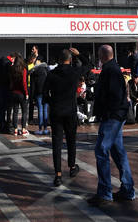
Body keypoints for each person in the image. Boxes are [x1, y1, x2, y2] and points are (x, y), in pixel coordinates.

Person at [88, 45, 134, 206]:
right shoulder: (114, 69)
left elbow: (113, 95)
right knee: (117, 151)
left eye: (99, 55)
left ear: (102, 56)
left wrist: (106, 112)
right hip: (116, 115)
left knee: (101, 150)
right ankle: (127, 189)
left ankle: (105, 192)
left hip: (112, 116)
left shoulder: (110, 70)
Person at [45, 48, 82, 186]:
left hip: (56, 111)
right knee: (71, 140)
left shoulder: (52, 74)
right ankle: (72, 167)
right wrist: (79, 54)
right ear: (70, 59)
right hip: (70, 110)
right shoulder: (74, 72)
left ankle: (58, 174)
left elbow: (44, 94)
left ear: (59, 60)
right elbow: (88, 65)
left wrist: (53, 102)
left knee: (57, 143)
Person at [10, 53, 30, 136]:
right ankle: (23, 129)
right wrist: (26, 93)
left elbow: (11, 81)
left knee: (15, 111)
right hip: (21, 93)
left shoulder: (12, 69)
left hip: (14, 92)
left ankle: (15, 129)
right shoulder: (23, 70)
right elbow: (24, 82)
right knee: (24, 112)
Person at [30, 58, 50, 135]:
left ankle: (40, 129)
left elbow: (33, 86)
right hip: (46, 93)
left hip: (38, 93)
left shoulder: (34, 71)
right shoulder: (47, 70)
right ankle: (45, 128)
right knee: (45, 110)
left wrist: (32, 97)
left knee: (40, 111)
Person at [0, 55, 14, 133]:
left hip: (0, 89)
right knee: (9, 108)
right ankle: (8, 125)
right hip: (8, 90)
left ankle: (1, 125)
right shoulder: (8, 67)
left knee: (1, 107)